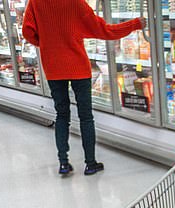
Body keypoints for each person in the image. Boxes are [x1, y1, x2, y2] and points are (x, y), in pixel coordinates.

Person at [22, 0, 145, 175]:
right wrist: (135, 24)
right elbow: (104, 30)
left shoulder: (35, 2)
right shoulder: (76, 2)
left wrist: (48, 45)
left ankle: (63, 163)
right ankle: (90, 163)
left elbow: (27, 32)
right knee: (86, 116)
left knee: (61, 115)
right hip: (78, 67)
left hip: (53, 66)